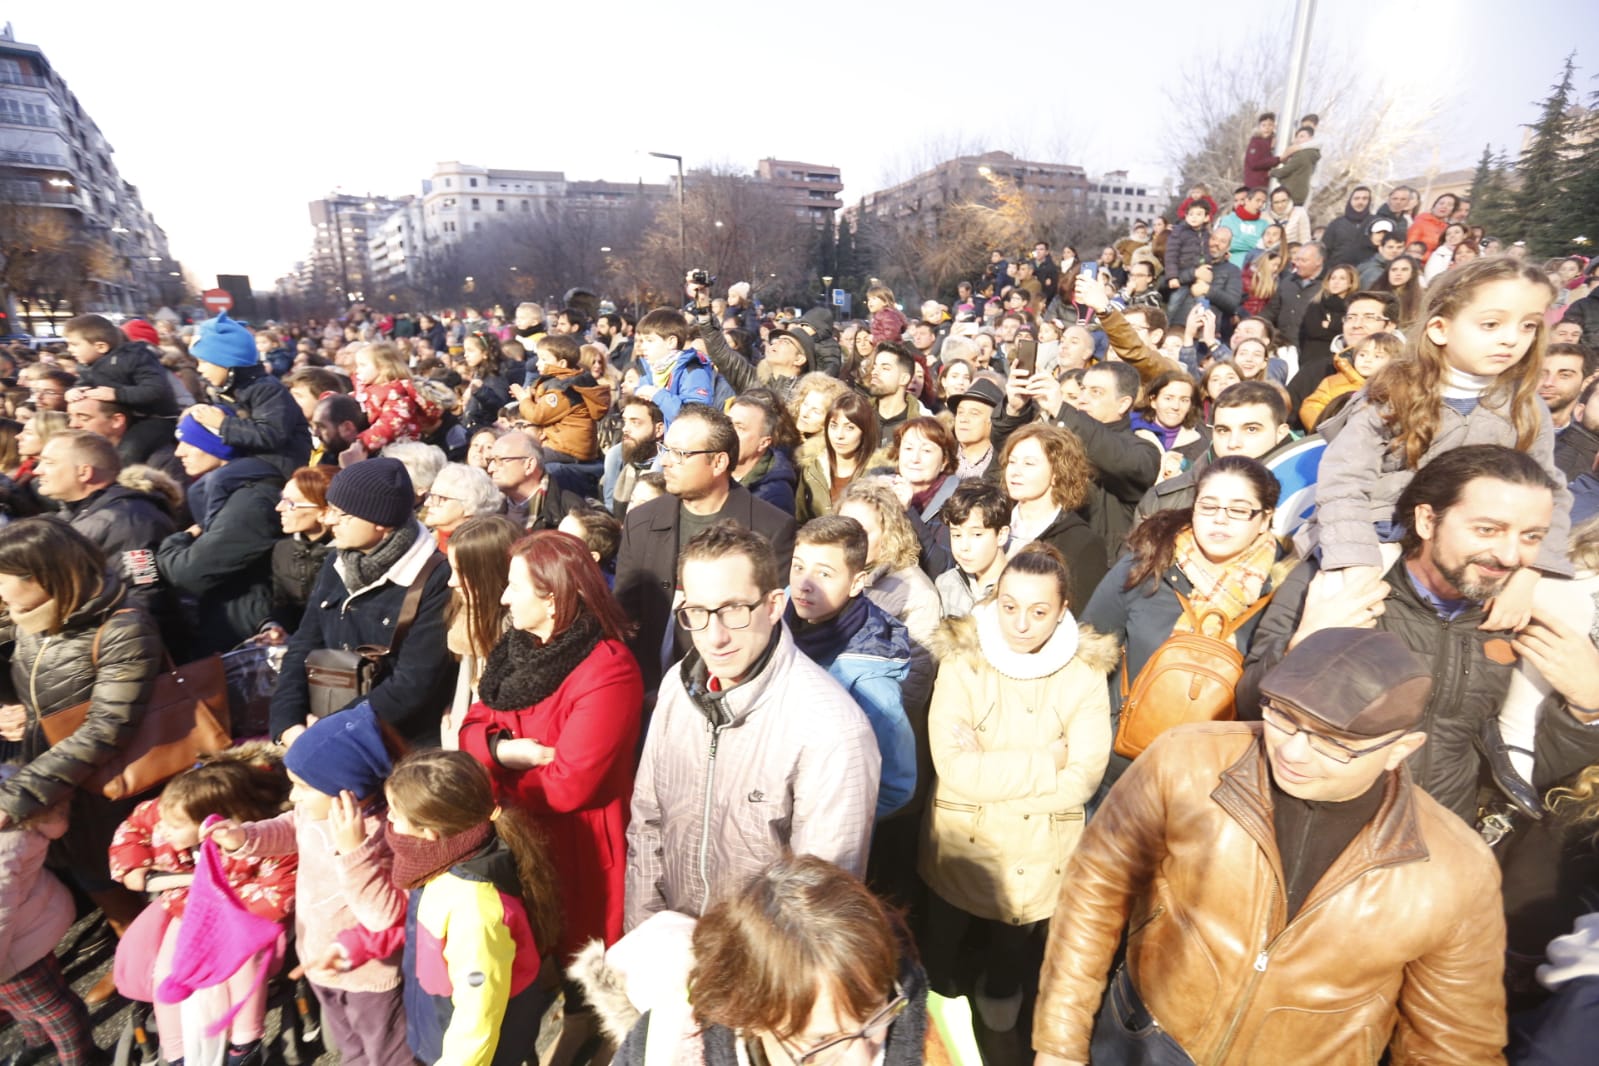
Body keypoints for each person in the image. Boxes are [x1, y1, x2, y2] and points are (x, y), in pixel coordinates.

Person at [1032, 629, 1508, 1066]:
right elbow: (1096, 888)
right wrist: (1060, 1043)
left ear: (1401, 749)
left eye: (1334, 742)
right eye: (1282, 715)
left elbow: (1453, 1042)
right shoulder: (1185, 761)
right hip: (1143, 1038)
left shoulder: (1455, 868)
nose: (1293, 752)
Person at [1244, 445, 1599, 825]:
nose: (1511, 556)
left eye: (1531, 537)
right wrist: (1304, 647)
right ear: (1427, 521)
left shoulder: (1529, 618)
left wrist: (1587, 709)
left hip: (1440, 850)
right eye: (1487, 530)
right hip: (1312, 835)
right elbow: (1248, 707)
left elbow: (1522, 773)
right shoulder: (1337, 585)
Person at [623, 522, 881, 930]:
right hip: (671, 952)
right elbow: (647, 827)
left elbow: (820, 901)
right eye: (697, 613)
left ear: (774, 606)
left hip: (760, 973)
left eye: (733, 611)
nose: (715, 636)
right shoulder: (676, 688)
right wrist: (647, 935)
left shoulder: (833, 729)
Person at [1300, 259, 1573, 611]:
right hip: (1382, 532)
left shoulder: (1526, 406)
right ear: (1440, 329)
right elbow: (1344, 482)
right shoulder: (1391, 392)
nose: (1511, 338)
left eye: (1528, 326)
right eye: (1491, 324)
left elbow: (1549, 493)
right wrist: (1356, 562)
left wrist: (1531, 571)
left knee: (1555, 612)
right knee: (1340, 607)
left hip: (1486, 548)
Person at [920, 544, 1114, 1034]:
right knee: (939, 949)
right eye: (1009, 607)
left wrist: (989, 764)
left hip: (1038, 854)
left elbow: (1083, 779)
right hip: (963, 845)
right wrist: (1046, 760)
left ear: (1062, 609)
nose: (1020, 624)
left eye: (1038, 611)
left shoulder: (1085, 672)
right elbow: (954, 768)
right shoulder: (964, 659)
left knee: (1012, 954)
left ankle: (998, 1000)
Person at [455, 530, 644, 961]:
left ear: (554, 598)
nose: (504, 598)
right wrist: (505, 753)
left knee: (584, 961)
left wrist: (486, 778)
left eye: (515, 587)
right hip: (520, 833)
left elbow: (568, 786)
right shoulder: (516, 648)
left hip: (580, 852)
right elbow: (471, 726)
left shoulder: (608, 670)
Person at [0, 518, 160, 1005]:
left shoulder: (124, 627)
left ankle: (165, 971)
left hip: (110, 786)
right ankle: (134, 957)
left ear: (45, 578)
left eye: (5, 581)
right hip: (56, 777)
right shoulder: (35, 618)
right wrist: (24, 715)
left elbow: (106, 727)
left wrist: (19, 795)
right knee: (94, 878)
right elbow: (45, 686)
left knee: (132, 876)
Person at [211, 706, 411, 1066]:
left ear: (348, 792)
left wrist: (354, 852)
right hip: (319, 959)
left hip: (372, 976)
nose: (294, 796)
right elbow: (291, 827)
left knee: (389, 1055)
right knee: (351, 1050)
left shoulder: (388, 832)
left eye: (303, 787)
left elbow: (384, 916)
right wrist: (243, 836)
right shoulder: (314, 812)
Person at [334, 750, 562, 1066]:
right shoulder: (439, 866)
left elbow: (477, 1013)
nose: (388, 821)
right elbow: (416, 922)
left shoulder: (474, 910)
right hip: (438, 1029)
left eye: (396, 816)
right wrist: (358, 945)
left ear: (429, 832)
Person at [612, 855, 937, 1066]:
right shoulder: (660, 1051)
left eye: (873, 1019)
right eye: (821, 1041)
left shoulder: (937, 1046)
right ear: (748, 1015)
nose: (860, 1061)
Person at [1084, 457, 1290, 776]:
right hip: (1125, 766)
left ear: (1264, 519)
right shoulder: (1146, 567)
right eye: (1208, 506)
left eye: (1237, 510)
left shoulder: (1283, 594)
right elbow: (1087, 654)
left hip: (1218, 777)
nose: (1220, 520)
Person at [109, 748, 297, 1066]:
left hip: (246, 920)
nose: (163, 830)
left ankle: (246, 1042)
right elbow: (135, 827)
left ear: (212, 825)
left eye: (174, 825)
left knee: (243, 965)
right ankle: (176, 1052)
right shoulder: (171, 811)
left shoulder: (267, 842)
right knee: (166, 972)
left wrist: (229, 909)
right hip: (190, 911)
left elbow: (279, 895)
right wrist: (134, 865)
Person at [615, 404, 797, 699]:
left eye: (681, 454)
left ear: (719, 462)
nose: (665, 463)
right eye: (666, 450)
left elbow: (769, 629)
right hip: (645, 690)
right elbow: (623, 613)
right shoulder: (642, 520)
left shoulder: (771, 528)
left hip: (727, 691)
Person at [270, 458, 454, 746]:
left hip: (397, 746)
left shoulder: (436, 579)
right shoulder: (337, 561)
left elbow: (413, 684)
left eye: (342, 514)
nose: (327, 520)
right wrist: (287, 722)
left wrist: (331, 732)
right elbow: (303, 644)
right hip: (322, 729)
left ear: (380, 522)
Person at [786, 516, 916, 820]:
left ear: (856, 582)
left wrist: (825, 820)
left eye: (825, 574)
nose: (804, 584)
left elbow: (896, 786)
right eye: (798, 566)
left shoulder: (871, 682)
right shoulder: (770, 623)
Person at [998, 359, 1161, 554]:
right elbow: (1002, 458)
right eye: (1083, 389)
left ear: (1123, 404)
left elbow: (1115, 456)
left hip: (1098, 569)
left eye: (1096, 392)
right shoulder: (1062, 433)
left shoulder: (1142, 450)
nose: (1083, 398)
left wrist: (1062, 409)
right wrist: (1015, 410)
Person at [156, 412, 285, 655]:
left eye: (190, 442)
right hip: (229, 620)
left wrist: (178, 541)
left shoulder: (252, 502)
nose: (178, 452)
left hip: (248, 630)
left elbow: (190, 572)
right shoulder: (220, 492)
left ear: (218, 445)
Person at [0, 764, 97, 1066]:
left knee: (52, 1008)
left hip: (17, 946)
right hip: (25, 928)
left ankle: (82, 1058)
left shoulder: (6, 845)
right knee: (21, 1003)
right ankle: (38, 1041)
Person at [35, 430, 178, 620]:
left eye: (49, 463)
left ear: (84, 472)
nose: (37, 471)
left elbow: (145, 592)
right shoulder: (74, 514)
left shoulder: (130, 520)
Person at [837, 481, 941, 713]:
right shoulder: (829, 577)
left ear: (889, 533)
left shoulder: (918, 594)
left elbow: (913, 688)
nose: (847, 540)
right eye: (842, 527)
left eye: (861, 532)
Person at [186, 311, 313, 480]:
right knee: (200, 488)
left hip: (280, 465)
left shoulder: (266, 389)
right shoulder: (228, 389)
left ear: (226, 361)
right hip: (252, 460)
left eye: (204, 362)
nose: (200, 369)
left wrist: (222, 424)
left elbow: (271, 434)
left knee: (217, 481)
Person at [998, 423, 1107, 610]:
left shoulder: (1082, 542)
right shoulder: (995, 524)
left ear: (1057, 473)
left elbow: (1082, 618)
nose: (1015, 471)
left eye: (1029, 464)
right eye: (1012, 461)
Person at [61, 313, 179, 461]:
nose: (70, 350)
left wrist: (117, 394)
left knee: (129, 450)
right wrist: (73, 391)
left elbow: (155, 389)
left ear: (101, 347)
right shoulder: (88, 366)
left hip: (156, 418)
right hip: (125, 418)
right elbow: (84, 384)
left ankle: (122, 479)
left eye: (74, 344)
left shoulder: (135, 358)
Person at [514, 332, 610, 495]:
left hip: (568, 449)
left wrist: (523, 399)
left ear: (562, 362)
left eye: (544, 359)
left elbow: (538, 415)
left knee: (520, 458)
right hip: (562, 444)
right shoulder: (557, 382)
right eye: (538, 358)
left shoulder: (563, 389)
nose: (538, 363)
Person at [261, 465, 336, 641]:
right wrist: (275, 628)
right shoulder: (283, 550)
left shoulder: (350, 555)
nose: (279, 508)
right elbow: (283, 606)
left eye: (291, 503)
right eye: (282, 499)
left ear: (324, 511)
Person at [797, 391, 880, 523]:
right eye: (833, 426)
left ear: (865, 432)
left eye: (850, 428)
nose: (839, 435)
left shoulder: (878, 475)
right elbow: (799, 518)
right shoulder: (812, 467)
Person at [348, 342, 442, 458]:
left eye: (362, 365)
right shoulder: (367, 391)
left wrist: (360, 442)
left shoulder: (397, 393)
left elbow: (391, 424)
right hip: (380, 452)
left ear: (383, 367)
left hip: (400, 453)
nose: (357, 370)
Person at [936, 480, 1011, 618]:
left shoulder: (1019, 587)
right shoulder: (946, 583)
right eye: (956, 535)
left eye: (976, 534)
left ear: (1001, 535)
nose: (964, 547)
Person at [1301, 331, 1403, 431]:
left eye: (1377, 356)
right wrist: (1325, 429)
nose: (1367, 360)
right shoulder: (1333, 382)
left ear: (1393, 362)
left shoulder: (1397, 388)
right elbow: (1312, 406)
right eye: (1362, 355)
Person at [630, 309, 714, 427]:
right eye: (642, 341)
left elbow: (696, 418)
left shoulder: (693, 371)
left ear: (671, 342)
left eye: (650, 340)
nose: (643, 346)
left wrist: (657, 395)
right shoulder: (649, 372)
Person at [486, 432, 584, 532]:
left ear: (529, 465)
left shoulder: (570, 510)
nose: (490, 469)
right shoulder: (487, 508)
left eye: (499, 460)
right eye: (490, 461)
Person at [728, 389, 800, 514]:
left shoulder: (774, 496)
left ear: (763, 443)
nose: (728, 432)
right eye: (728, 424)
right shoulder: (709, 467)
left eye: (740, 428)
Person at [421, 461, 503, 550]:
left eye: (440, 498)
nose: (427, 503)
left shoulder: (485, 550)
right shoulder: (423, 543)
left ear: (470, 507)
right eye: (431, 495)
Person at [949, 375, 1002, 480]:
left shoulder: (1004, 463)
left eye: (974, 413)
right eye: (960, 412)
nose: (963, 419)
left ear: (993, 420)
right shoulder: (942, 455)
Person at [460, 330, 512, 431]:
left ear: (485, 353)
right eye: (465, 351)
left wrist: (480, 391)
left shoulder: (495, 375)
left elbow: (499, 407)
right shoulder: (480, 372)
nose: (466, 355)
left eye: (470, 351)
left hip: (487, 430)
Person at [868, 344, 924, 433]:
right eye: (874, 367)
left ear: (904, 379)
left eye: (885, 368)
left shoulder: (919, 429)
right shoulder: (859, 417)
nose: (874, 372)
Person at [1322, 186, 1375, 268]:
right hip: (1338, 270)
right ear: (1350, 200)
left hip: (1366, 272)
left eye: (1365, 199)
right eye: (1356, 198)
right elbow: (1325, 250)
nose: (1360, 202)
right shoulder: (1336, 224)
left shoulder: (1375, 223)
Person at [1406, 193, 1459, 259]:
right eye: (1441, 203)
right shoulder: (1421, 222)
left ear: (1452, 210)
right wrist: (1436, 256)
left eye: (1449, 205)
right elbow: (1409, 248)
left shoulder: (1449, 229)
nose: (1444, 206)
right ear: (1434, 206)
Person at [1242, 112, 1280, 189]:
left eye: (1270, 125)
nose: (1267, 128)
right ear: (1259, 127)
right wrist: (1276, 160)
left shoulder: (1274, 142)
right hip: (1255, 183)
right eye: (1264, 125)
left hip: (1268, 182)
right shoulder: (1255, 142)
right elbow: (1254, 163)